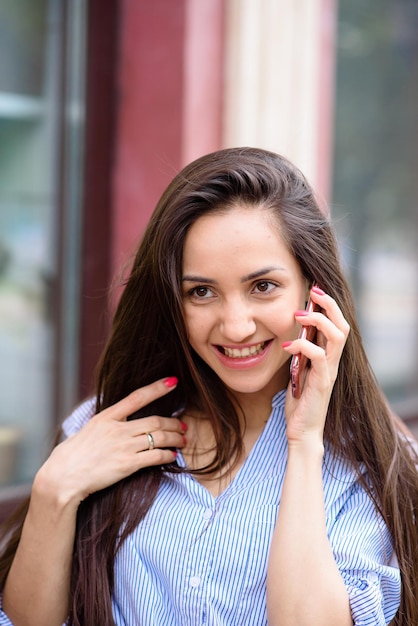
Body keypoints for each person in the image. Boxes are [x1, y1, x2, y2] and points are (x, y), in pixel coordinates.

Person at [0, 147, 417, 626]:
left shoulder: (373, 465)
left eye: (263, 286)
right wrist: (54, 492)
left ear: (312, 287)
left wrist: (303, 444)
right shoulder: (104, 429)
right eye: (202, 292)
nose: (235, 326)